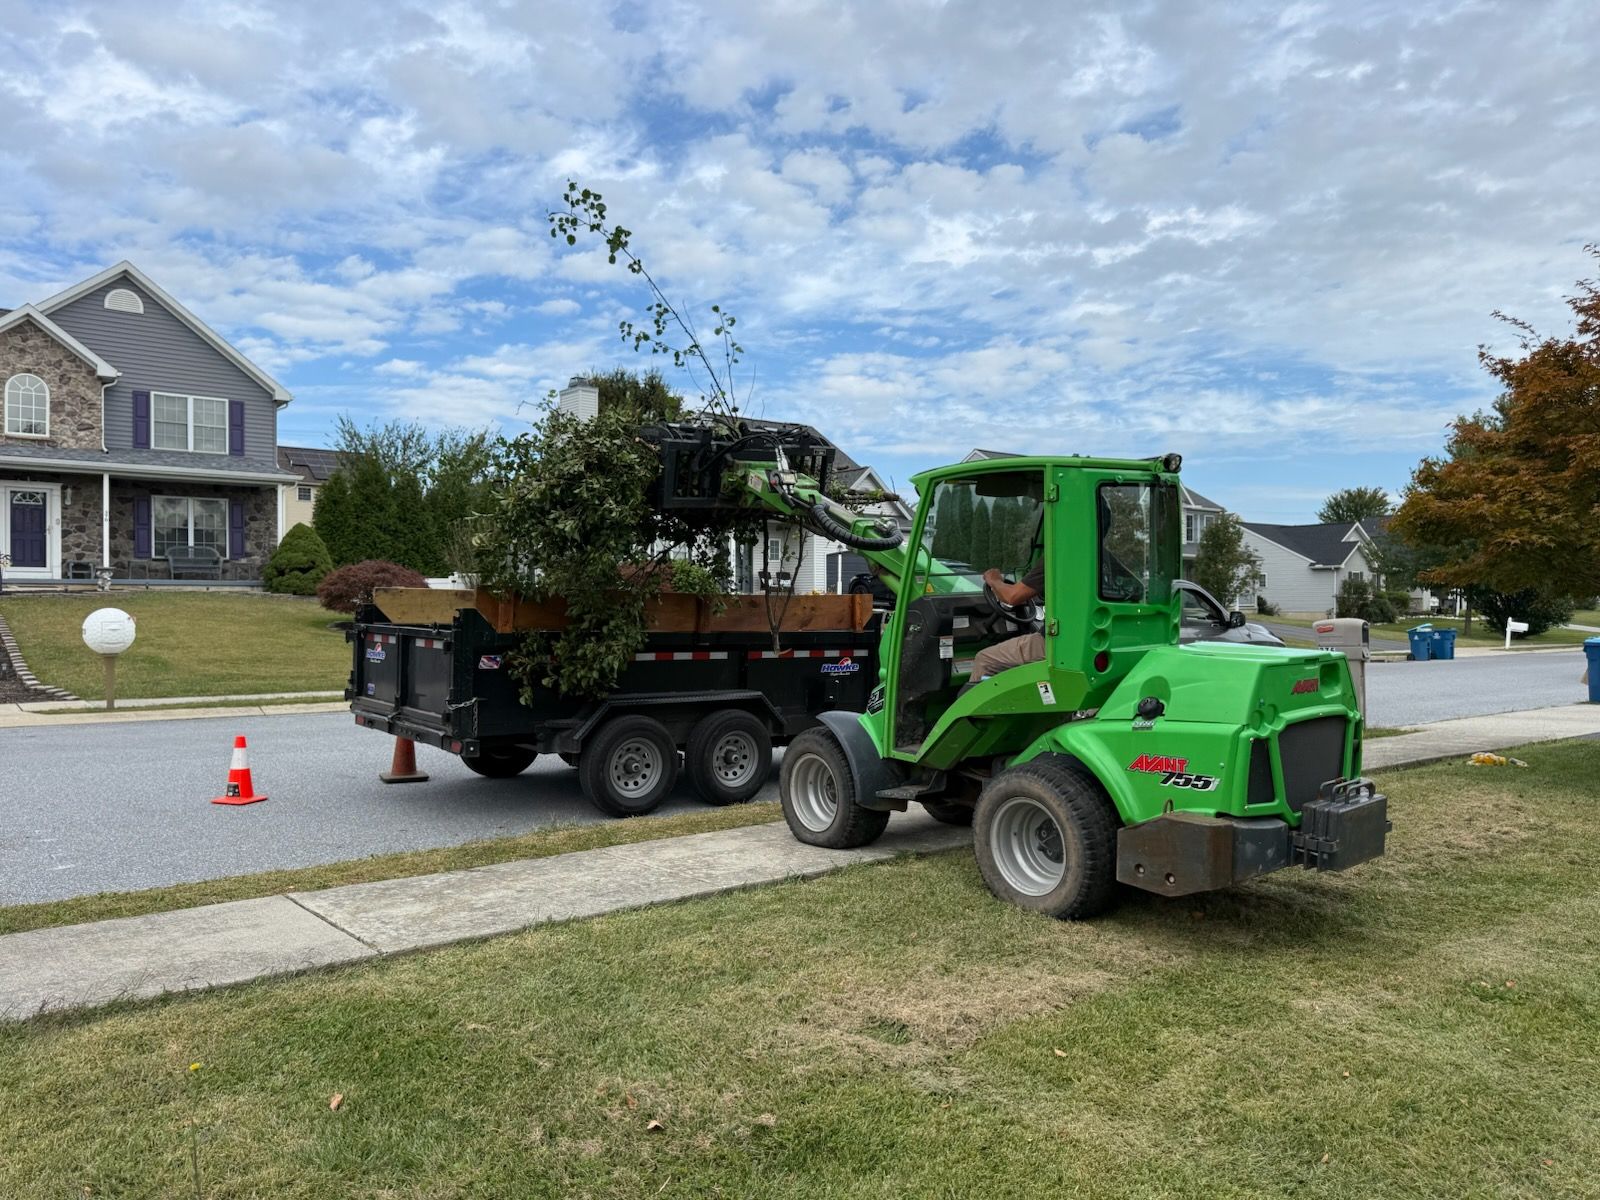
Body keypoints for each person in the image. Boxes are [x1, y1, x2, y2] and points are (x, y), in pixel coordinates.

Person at [969, 559, 1045, 683]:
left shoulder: (1056, 556)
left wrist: (994, 580)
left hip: (1054, 643)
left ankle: (974, 702)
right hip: (1076, 642)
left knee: (985, 660)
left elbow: (1012, 596)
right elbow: (1019, 592)